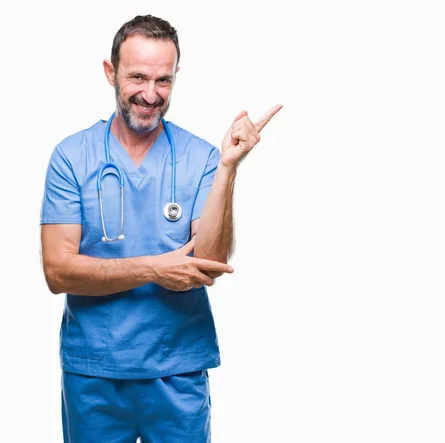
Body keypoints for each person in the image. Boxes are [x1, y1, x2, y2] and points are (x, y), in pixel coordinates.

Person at [40, 14, 281, 442]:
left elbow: (209, 262)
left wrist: (228, 167)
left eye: (163, 81)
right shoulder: (72, 156)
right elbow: (58, 272)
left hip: (178, 370)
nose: (151, 95)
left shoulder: (202, 157)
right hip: (94, 371)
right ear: (110, 73)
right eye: (137, 77)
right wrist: (154, 268)